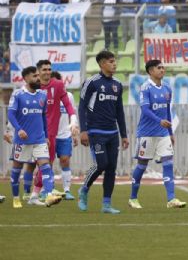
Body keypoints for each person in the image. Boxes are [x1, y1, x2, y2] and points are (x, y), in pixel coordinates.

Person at [128, 60, 186, 210]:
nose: (162, 70)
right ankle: (133, 198)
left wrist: (170, 132)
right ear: (151, 71)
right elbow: (145, 110)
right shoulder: (145, 88)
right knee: (142, 165)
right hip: (147, 133)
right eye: (159, 68)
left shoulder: (167, 87)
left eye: (163, 67)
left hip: (163, 133)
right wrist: (159, 121)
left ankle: (171, 199)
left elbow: (167, 111)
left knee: (168, 163)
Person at [78, 51, 129, 214]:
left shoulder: (118, 84)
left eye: (115, 61)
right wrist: (83, 130)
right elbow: (82, 107)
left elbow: (119, 111)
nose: (114, 64)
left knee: (111, 167)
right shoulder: (92, 82)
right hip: (96, 131)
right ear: (101, 64)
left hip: (112, 133)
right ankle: (84, 190)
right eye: (111, 61)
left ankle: (106, 204)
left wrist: (124, 135)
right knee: (101, 164)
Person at [8, 66, 63, 208]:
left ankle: (49, 195)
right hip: (22, 140)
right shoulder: (18, 94)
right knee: (16, 169)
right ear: (26, 78)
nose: (38, 78)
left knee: (45, 166)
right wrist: (18, 129)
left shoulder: (42, 95)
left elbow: (43, 117)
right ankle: (15, 198)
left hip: (39, 139)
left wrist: (45, 136)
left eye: (38, 75)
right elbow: (11, 114)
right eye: (35, 76)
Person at [52, 71, 77, 200]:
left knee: (65, 160)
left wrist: (74, 131)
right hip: (49, 135)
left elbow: (72, 113)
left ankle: (67, 190)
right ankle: (48, 189)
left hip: (64, 134)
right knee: (46, 163)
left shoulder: (69, 96)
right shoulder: (45, 96)